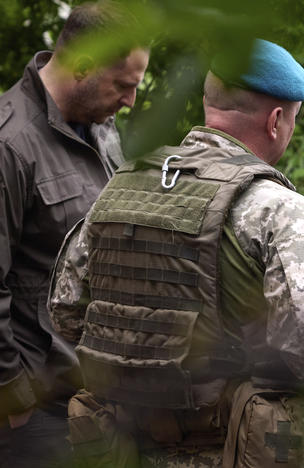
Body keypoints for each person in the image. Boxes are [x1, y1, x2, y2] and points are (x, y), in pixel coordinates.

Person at [48, 38, 304, 467]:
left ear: (209, 103)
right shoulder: (279, 211)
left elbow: (66, 314)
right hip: (229, 448)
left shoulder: (120, 188)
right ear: (275, 120)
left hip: (122, 447)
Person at [0, 1, 149, 466]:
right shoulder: (10, 144)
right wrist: (14, 398)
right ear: (83, 67)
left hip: (99, 399)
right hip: (37, 410)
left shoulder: (101, 127)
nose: (130, 101)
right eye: (123, 86)